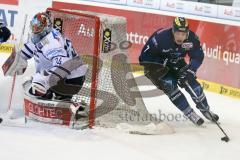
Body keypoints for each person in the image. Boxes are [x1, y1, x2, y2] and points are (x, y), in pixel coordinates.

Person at [139, 17, 219, 126]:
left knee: (192, 83)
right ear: (173, 31)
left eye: (183, 34)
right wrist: (161, 65)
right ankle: (189, 113)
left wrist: (191, 69)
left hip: (176, 62)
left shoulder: (191, 38)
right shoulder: (160, 38)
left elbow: (197, 56)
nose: (180, 37)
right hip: (156, 67)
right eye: (178, 34)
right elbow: (143, 58)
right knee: (170, 85)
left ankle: (206, 110)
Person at [4, 12, 88, 101]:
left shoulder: (52, 42)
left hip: (73, 80)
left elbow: (62, 66)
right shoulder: (40, 36)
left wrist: (43, 81)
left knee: (35, 82)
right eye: (34, 26)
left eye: (38, 27)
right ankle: (54, 95)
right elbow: (28, 49)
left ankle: (60, 97)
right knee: (29, 84)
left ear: (46, 27)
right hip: (68, 77)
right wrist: (18, 59)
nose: (35, 29)